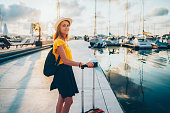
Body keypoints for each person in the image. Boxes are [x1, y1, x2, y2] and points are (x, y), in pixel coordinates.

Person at [50, 17, 94, 113]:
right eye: (63, 26)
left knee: (61, 99)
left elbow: (66, 60)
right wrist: (81, 64)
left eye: (67, 25)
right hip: (62, 73)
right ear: (59, 28)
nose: (66, 27)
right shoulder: (59, 42)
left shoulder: (63, 41)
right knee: (69, 101)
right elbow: (65, 60)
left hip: (66, 71)